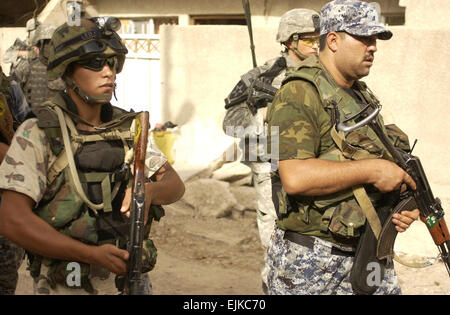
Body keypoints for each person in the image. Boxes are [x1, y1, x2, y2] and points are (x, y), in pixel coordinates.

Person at [0, 17, 185, 295]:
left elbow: (175, 184)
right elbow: (11, 219)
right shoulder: (39, 132)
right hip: (64, 284)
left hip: (127, 282)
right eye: (95, 63)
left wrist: (149, 191)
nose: (108, 72)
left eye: (112, 63)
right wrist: (90, 254)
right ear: (67, 69)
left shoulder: (129, 129)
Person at [266, 0, 420, 295]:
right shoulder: (298, 93)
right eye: (363, 37)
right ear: (333, 40)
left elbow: (370, 162)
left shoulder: (359, 95)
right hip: (313, 262)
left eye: (375, 39)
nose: (372, 46)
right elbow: (295, 177)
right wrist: (372, 170)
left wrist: (401, 207)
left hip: (370, 251)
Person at [222, 8, 320, 293]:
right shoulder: (262, 77)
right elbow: (230, 123)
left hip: (317, 169)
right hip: (272, 173)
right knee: (277, 246)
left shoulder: (328, 75)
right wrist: (261, 117)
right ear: (290, 41)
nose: (317, 46)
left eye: (319, 39)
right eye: (309, 40)